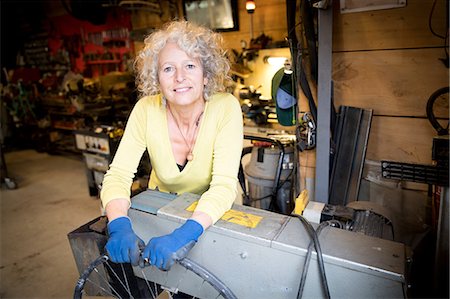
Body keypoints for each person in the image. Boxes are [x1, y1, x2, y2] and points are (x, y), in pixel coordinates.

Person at [100, 20, 243, 271]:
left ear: (206, 75)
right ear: (157, 78)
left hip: (213, 214)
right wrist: (119, 225)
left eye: (190, 65)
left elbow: (223, 185)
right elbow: (119, 175)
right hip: (163, 208)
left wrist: (184, 234)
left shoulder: (225, 107)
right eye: (168, 68)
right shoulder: (146, 109)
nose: (179, 77)